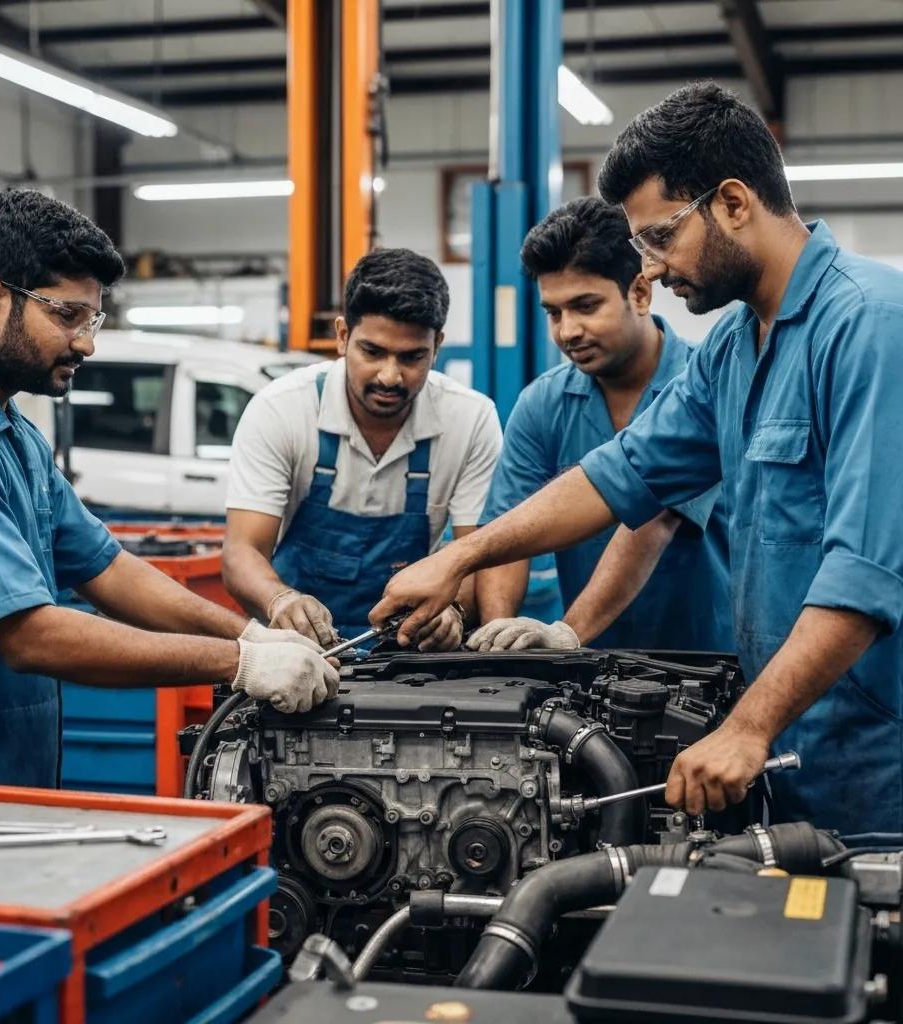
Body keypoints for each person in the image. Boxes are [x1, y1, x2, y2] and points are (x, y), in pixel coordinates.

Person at [371, 82, 903, 836]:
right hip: (772, 743)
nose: (649, 268)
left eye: (658, 238)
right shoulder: (733, 347)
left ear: (732, 202)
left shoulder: (871, 327)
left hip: (870, 761)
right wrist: (462, 559)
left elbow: (865, 576)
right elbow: (622, 474)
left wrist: (747, 727)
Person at [0, 190, 337, 788]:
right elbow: (31, 636)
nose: (87, 342)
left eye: (92, 320)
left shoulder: (8, 429)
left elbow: (108, 568)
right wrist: (241, 662)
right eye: (67, 315)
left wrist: (247, 630)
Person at [469, 197, 731, 654]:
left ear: (640, 293)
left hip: (709, 662)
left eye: (586, 306)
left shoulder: (704, 385)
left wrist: (567, 634)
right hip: (591, 671)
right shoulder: (542, 405)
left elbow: (651, 521)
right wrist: (500, 645)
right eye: (554, 312)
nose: (568, 330)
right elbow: (509, 531)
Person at [222, 248, 502, 651]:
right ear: (342, 336)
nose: (390, 376)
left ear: (437, 346)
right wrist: (280, 600)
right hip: (294, 653)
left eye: (412, 357)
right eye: (372, 352)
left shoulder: (470, 421)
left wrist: (453, 610)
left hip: (410, 656)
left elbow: (477, 556)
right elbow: (241, 553)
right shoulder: (281, 409)